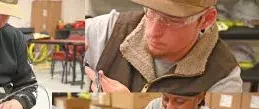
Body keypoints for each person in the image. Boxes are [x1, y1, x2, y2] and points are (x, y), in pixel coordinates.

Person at [84, 0, 243, 93]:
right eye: (151, 12)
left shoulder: (222, 78)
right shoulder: (111, 30)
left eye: (172, 20)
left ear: (206, 19)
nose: (153, 31)